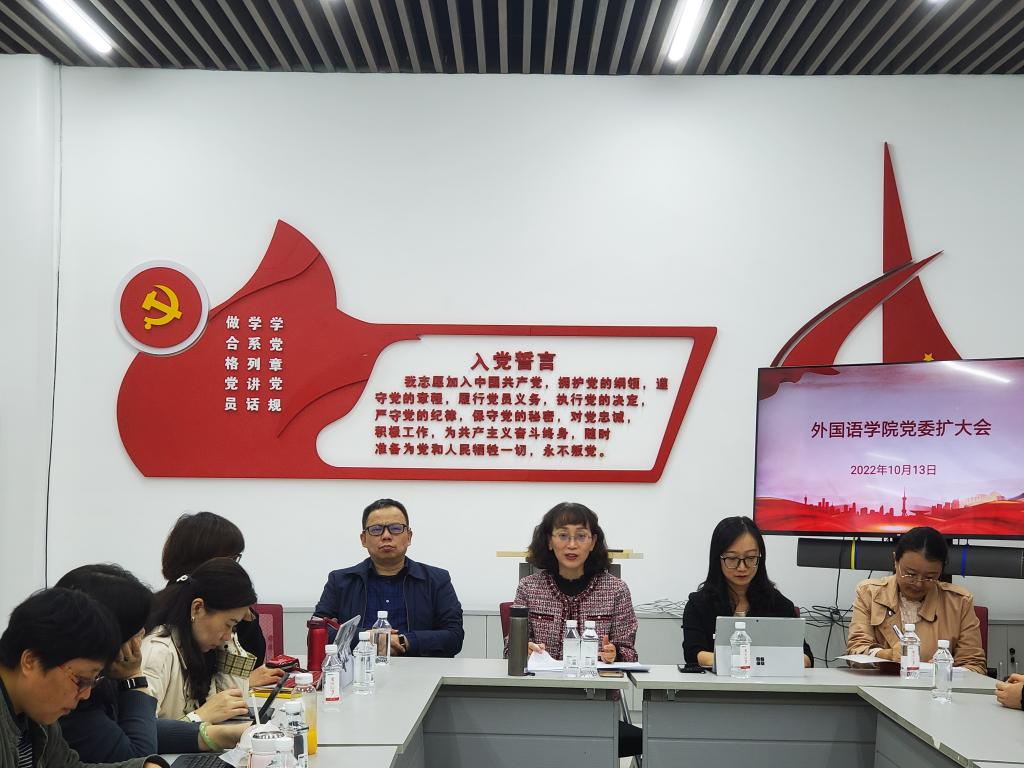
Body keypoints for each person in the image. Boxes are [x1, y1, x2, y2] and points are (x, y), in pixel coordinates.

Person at [56, 565, 247, 759]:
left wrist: (223, 735)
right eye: (136, 631)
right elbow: (138, 753)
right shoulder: (79, 698)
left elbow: (138, 729)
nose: (142, 638)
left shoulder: (103, 679)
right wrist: (134, 678)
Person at [502, 501, 640, 758]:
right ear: (549, 541)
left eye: (581, 536)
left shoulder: (616, 590)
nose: (572, 545)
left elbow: (630, 653)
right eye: (563, 535)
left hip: (596, 705)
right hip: (539, 703)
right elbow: (510, 650)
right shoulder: (529, 587)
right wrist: (525, 649)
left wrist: (615, 654)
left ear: (593, 541)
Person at [0, 587, 166, 768]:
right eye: (80, 680)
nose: (85, 694)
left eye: (93, 681)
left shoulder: (36, 714)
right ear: (31, 661)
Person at [314, 498, 465, 657]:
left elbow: (454, 636)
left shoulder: (437, 580)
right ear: (363, 539)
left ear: (409, 536)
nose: (386, 536)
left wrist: (404, 641)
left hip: (420, 669)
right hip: (357, 669)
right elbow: (317, 632)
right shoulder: (340, 581)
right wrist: (369, 638)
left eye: (395, 528)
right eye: (376, 529)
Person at [847, 526, 985, 674]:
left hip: (935, 687)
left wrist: (946, 671)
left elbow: (974, 666)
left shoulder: (959, 602)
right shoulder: (869, 593)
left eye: (930, 577)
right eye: (910, 574)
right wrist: (886, 656)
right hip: (879, 686)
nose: (918, 584)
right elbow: (856, 650)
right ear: (895, 561)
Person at [682, 516, 813, 668]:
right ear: (717, 559)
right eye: (732, 558)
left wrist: (746, 661)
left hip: (767, 682)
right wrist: (749, 661)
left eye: (750, 557)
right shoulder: (699, 605)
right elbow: (694, 654)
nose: (742, 567)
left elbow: (806, 658)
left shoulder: (777, 604)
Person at [142, 558, 257, 726]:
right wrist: (200, 716)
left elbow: (231, 707)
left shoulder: (198, 646)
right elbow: (143, 736)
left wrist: (230, 640)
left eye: (234, 627)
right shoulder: (157, 653)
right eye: (228, 624)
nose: (227, 636)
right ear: (197, 608)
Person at [160, 511, 274, 679]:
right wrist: (246, 682)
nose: (234, 567)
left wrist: (245, 614)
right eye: (231, 559)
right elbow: (195, 683)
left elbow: (255, 659)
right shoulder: (173, 614)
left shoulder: (218, 602)